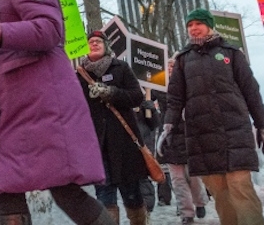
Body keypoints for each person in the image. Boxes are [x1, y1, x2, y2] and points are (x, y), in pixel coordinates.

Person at [0, 0, 114, 225]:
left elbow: (49, 29)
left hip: (43, 105)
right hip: (14, 111)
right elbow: (9, 56)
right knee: (7, 189)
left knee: (64, 189)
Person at [164, 8, 264, 225]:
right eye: (190, 25)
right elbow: (175, 98)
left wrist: (262, 124)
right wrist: (169, 124)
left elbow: (251, 89)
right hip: (202, 136)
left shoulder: (232, 52)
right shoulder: (183, 59)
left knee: (240, 187)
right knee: (220, 193)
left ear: (209, 25)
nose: (193, 28)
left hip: (234, 130)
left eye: (198, 24)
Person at [77, 30, 150, 225]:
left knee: (132, 195)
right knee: (104, 197)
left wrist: (111, 92)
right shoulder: (79, 75)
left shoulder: (121, 67)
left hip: (124, 143)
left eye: (98, 41)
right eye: (91, 42)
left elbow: (137, 96)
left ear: (106, 46)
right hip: (97, 145)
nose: (94, 44)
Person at [158, 55, 208, 225]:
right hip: (170, 138)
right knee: (178, 180)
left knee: (194, 177)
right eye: (167, 67)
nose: (170, 70)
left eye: (173, 67)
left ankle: (200, 203)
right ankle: (186, 212)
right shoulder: (159, 89)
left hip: (189, 135)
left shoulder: (188, 86)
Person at [134, 98, 159, 216]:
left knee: (143, 177)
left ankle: (147, 208)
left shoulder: (144, 102)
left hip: (144, 145)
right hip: (128, 146)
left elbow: (155, 124)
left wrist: (152, 110)